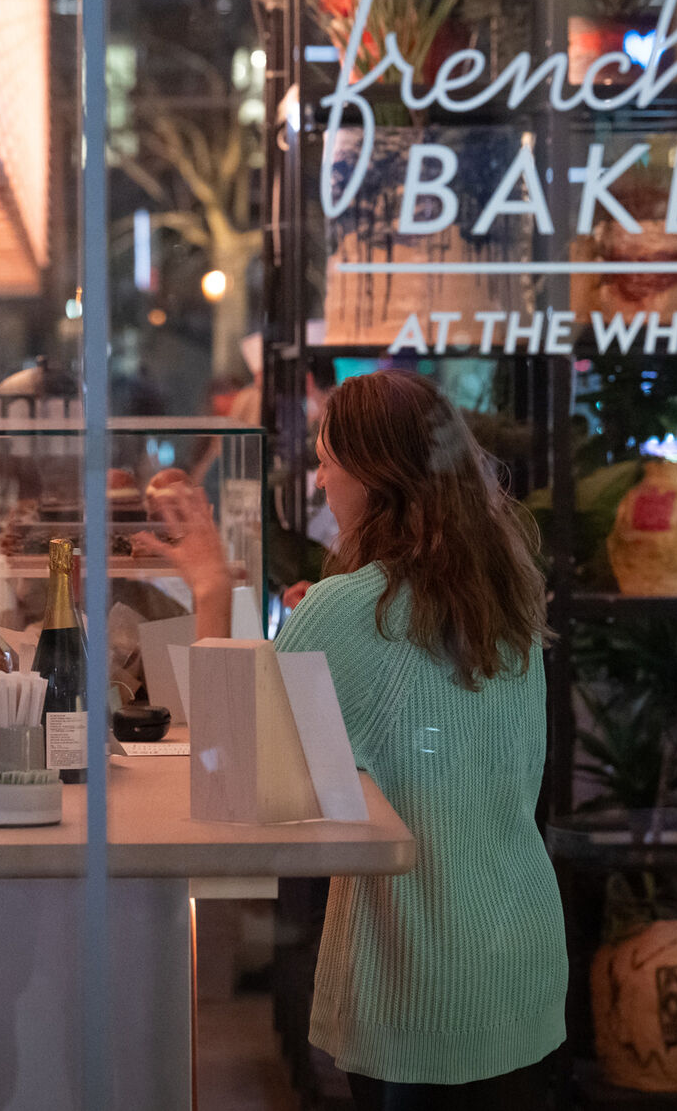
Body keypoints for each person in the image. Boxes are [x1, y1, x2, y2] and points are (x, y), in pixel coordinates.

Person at [144, 370, 566, 1109]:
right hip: (519, 948)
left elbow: (231, 778)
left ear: (373, 479)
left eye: (325, 462)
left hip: (421, 972)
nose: (319, 481)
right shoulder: (507, 595)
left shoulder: (356, 606)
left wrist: (210, 589)